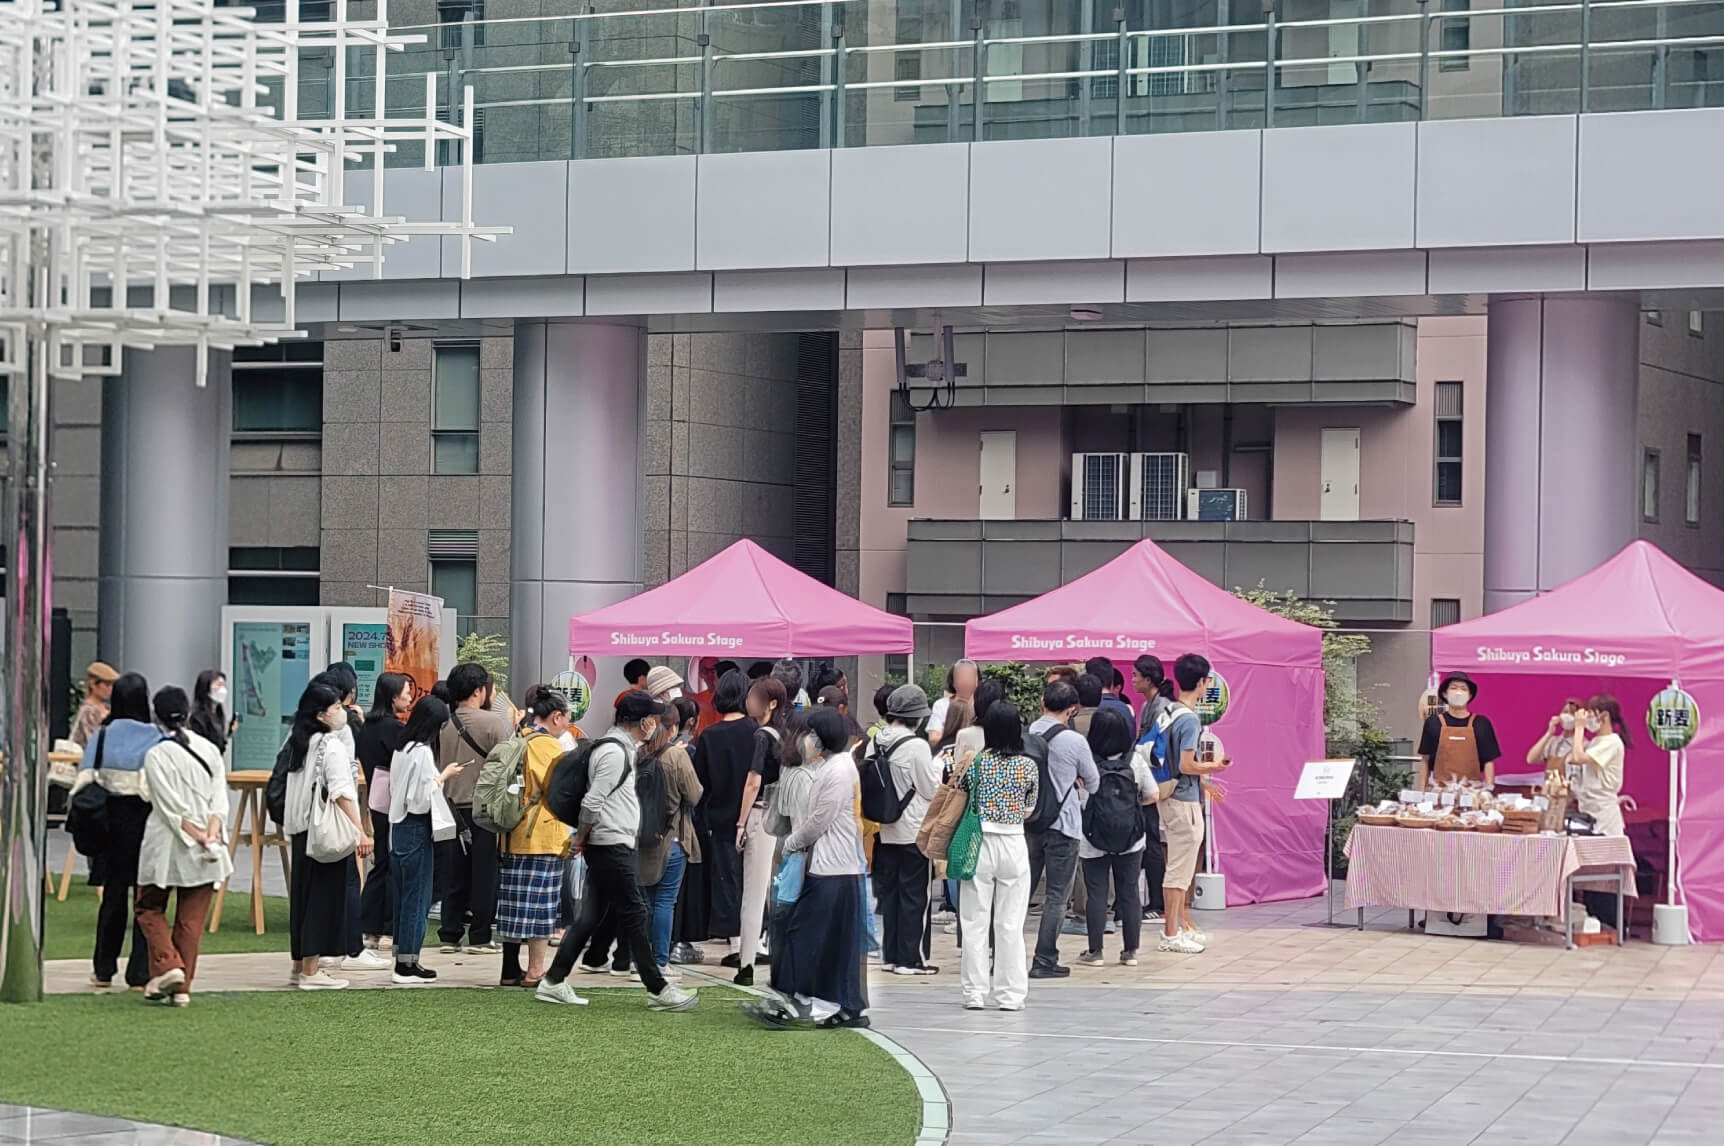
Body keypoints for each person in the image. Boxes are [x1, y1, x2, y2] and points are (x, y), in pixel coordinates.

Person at [536, 692, 700, 1012]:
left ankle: (553, 981)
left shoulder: (618, 748)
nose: (656, 724)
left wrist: (584, 838)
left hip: (609, 843)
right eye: (652, 718)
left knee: (591, 917)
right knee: (635, 912)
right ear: (641, 722)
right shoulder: (614, 752)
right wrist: (581, 838)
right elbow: (592, 802)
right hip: (610, 844)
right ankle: (658, 988)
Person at [744, 707, 871, 1029]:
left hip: (833, 868)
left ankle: (793, 999)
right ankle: (845, 1005)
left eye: (813, 734)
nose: (808, 740)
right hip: (833, 866)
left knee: (804, 935)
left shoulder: (837, 771)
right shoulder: (832, 766)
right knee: (832, 939)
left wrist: (791, 844)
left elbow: (818, 821)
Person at [134, 686, 232, 1006]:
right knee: (191, 920)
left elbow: (169, 807)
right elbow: (220, 800)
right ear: (188, 712)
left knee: (149, 907)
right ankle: (181, 986)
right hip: (207, 845)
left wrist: (196, 833)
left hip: (167, 843)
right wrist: (211, 833)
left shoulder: (155, 755)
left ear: (155, 716)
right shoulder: (209, 750)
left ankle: (168, 965)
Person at [284, 680, 373, 990]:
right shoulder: (330, 745)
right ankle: (312, 970)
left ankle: (299, 965)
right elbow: (341, 792)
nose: (341, 712)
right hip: (324, 833)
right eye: (336, 707)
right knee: (322, 899)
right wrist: (359, 830)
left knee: (303, 897)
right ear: (322, 715)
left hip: (300, 828)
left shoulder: (296, 741)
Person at [74, 671, 158, 990]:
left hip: (109, 822)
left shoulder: (104, 734)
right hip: (145, 821)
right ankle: (139, 972)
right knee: (145, 897)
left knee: (112, 896)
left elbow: (85, 772)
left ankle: (103, 969)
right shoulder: (156, 736)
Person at [957, 700, 1039, 1011]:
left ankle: (974, 992)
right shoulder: (1028, 766)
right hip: (1014, 841)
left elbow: (964, 797)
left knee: (975, 920)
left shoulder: (976, 763)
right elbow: (1030, 809)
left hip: (978, 841)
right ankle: (1010, 994)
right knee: (1010, 923)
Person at [497, 689, 578, 988]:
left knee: (513, 905)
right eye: (568, 718)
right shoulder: (546, 745)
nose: (568, 724)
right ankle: (534, 970)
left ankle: (509, 968)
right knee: (541, 908)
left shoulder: (519, 738)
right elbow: (557, 789)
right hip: (542, 831)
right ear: (556, 717)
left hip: (514, 830)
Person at [435, 662, 512, 954]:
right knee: (484, 873)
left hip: (450, 807)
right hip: (485, 809)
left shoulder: (443, 723)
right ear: (480, 690)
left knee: (453, 873)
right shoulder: (494, 724)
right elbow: (509, 764)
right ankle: (480, 935)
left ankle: (449, 933)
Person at [1025, 679, 1099, 979]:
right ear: (1072, 710)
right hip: (1064, 825)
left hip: (1029, 822)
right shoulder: (1075, 741)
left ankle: (1003, 953)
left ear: (1042, 704)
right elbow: (1093, 782)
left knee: (1020, 892)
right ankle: (1044, 959)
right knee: (1056, 896)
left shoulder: (1028, 734)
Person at [1160, 654, 1231, 955]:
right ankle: (1171, 933)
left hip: (1171, 794)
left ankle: (1178, 926)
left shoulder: (1169, 711)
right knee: (1179, 870)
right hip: (1183, 800)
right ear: (1202, 683)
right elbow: (1187, 764)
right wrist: (1214, 767)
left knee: (1179, 868)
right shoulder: (1188, 719)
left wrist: (1204, 781)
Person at [872, 684, 942, 975]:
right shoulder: (917, 746)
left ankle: (890, 955)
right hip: (913, 829)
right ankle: (910, 958)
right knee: (915, 895)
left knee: (890, 895)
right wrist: (938, 769)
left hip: (884, 826)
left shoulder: (875, 741)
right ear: (918, 718)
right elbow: (929, 789)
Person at [1075, 707, 1154, 967]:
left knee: (1096, 893)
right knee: (1129, 892)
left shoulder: (1086, 760)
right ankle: (1130, 951)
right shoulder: (1135, 760)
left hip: (1092, 834)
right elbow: (1152, 795)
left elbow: (1080, 796)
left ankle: (1095, 951)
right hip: (1131, 836)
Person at [389, 695, 458, 985]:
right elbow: (420, 798)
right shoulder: (422, 753)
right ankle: (408, 962)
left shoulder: (401, 748)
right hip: (416, 824)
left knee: (404, 896)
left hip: (397, 825)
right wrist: (442, 777)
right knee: (417, 896)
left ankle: (402, 956)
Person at [692, 670, 755, 961]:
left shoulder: (708, 736)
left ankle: (735, 939)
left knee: (727, 878)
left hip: (718, 819)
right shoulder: (756, 732)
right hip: (754, 815)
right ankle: (756, 938)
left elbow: (699, 783)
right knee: (755, 878)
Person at [638, 699, 704, 980]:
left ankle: (637, 958)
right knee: (666, 901)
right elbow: (694, 794)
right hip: (672, 837)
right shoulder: (676, 757)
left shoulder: (639, 753)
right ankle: (660, 961)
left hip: (642, 838)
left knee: (646, 902)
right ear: (674, 727)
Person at [730, 676, 789, 984]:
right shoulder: (787, 733)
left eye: (754, 698)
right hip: (785, 819)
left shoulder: (762, 737)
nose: (748, 702)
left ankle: (747, 963)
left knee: (754, 893)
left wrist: (740, 823)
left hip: (761, 816)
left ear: (771, 703)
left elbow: (753, 781)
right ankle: (778, 960)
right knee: (778, 893)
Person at [355, 672, 413, 948]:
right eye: (406, 692)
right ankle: (389, 925)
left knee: (381, 862)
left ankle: (369, 925)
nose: (409, 696)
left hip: (376, 799)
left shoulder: (367, 726)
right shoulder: (394, 729)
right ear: (393, 696)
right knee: (393, 861)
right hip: (395, 799)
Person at [1131, 655, 1175, 925]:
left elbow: (1155, 749)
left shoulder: (1162, 708)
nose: (1133, 679)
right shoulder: (1151, 704)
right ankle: (1155, 900)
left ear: (1148, 678)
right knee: (1150, 840)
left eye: (1136, 675)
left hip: (1158, 781)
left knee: (1154, 842)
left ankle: (1158, 902)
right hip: (1150, 780)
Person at [1418, 671, 1501, 789]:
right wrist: (1423, 792)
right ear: (1445, 694)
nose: (1458, 692)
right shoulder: (1433, 723)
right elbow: (1425, 760)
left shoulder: (1482, 723)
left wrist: (1488, 791)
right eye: (1453, 688)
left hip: (1472, 793)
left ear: (1470, 695)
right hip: (1440, 792)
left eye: (1463, 689)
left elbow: (1488, 762)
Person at [1527, 698, 1585, 783]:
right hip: (1550, 793)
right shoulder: (1553, 742)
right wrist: (1548, 733)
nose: (1567, 716)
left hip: (1572, 794)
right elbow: (1531, 759)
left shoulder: (1584, 745)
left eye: (1572, 713)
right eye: (1565, 712)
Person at [929, 659, 980, 747]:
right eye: (961, 676)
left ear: (977, 681)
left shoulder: (983, 705)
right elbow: (934, 738)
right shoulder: (941, 705)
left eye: (970, 676)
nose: (966, 681)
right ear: (953, 681)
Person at [187, 670, 234, 757]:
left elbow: (220, 747)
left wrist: (228, 733)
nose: (223, 689)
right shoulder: (197, 717)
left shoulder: (218, 715)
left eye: (223, 685)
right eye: (218, 685)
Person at [72, 661, 119, 747]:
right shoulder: (88, 711)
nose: (110, 689)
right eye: (107, 685)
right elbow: (93, 740)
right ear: (93, 684)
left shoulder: (107, 708)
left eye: (112, 685)